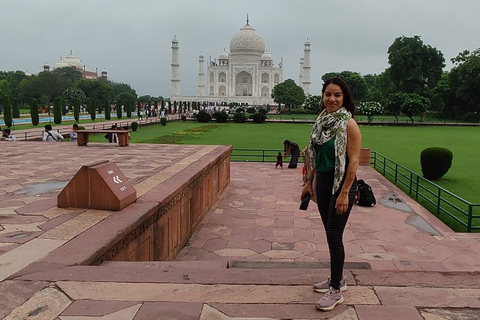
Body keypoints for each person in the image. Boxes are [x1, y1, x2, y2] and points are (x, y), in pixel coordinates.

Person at [301, 77, 362, 312]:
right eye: (328, 94)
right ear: (323, 96)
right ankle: (337, 278)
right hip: (324, 182)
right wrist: (309, 182)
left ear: (344, 97)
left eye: (337, 95)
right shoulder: (321, 121)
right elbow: (314, 155)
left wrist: (345, 193)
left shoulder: (349, 124)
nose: (332, 99)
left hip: (343, 185)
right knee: (330, 233)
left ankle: (335, 290)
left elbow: (354, 161)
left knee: (334, 235)